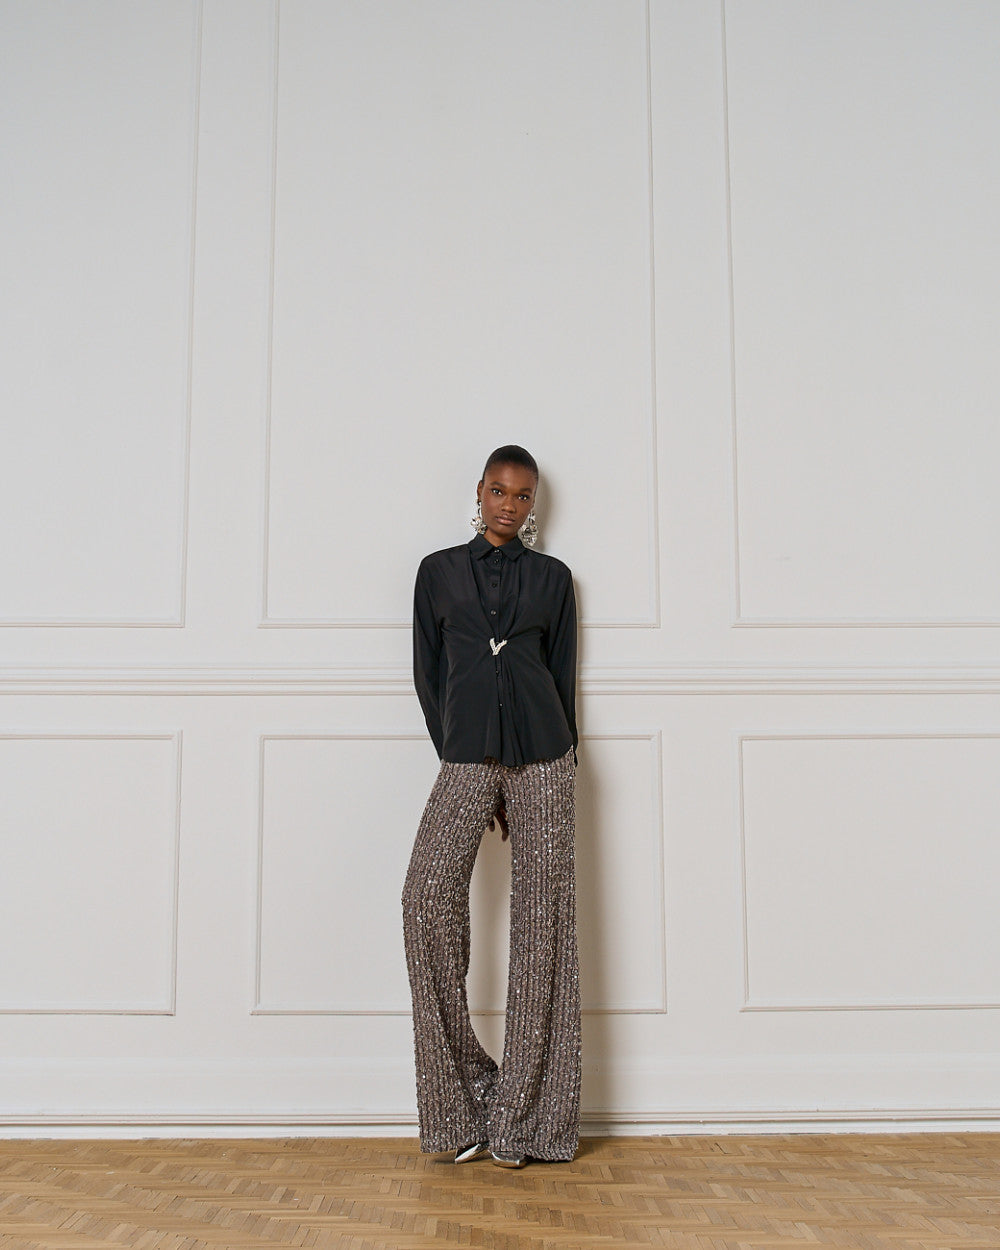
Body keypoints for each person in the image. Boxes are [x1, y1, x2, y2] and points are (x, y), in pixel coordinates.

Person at [402, 444, 581, 1169]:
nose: (509, 505)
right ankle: (464, 1100)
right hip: (468, 754)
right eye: (499, 491)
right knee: (424, 900)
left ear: (534, 505)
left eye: (523, 495)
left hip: (545, 759)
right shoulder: (438, 572)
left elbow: (562, 677)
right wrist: (467, 762)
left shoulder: (554, 580)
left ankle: (525, 1123)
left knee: (542, 931)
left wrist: (549, 764)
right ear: (479, 492)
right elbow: (428, 675)